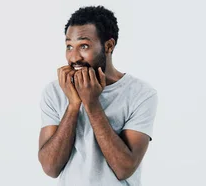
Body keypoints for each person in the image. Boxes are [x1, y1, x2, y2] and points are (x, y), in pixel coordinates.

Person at [38, 6, 158, 185]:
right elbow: (50, 168)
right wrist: (73, 105)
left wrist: (91, 103)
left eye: (84, 46)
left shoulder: (141, 94)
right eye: (69, 46)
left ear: (109, 46)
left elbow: (124, 168)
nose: (74, 57)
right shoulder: (54, 91)